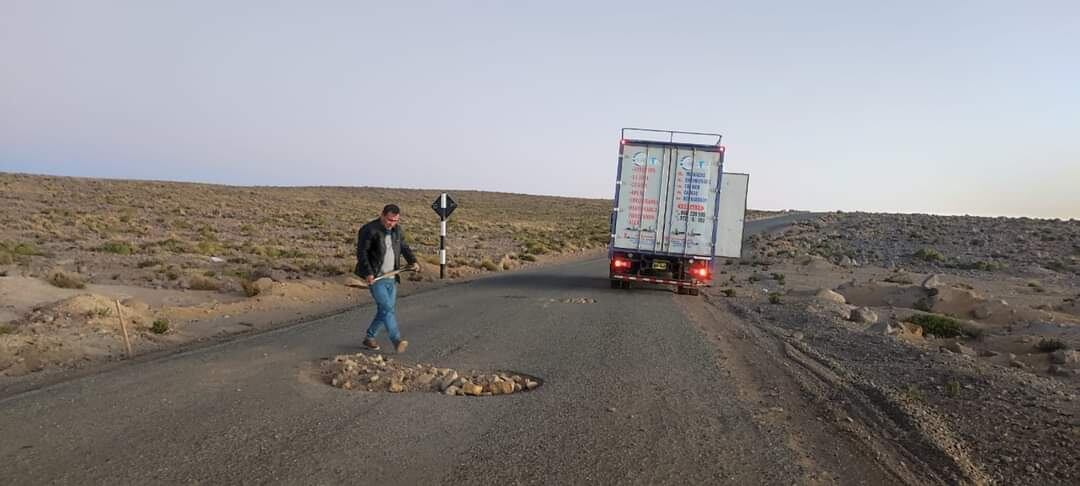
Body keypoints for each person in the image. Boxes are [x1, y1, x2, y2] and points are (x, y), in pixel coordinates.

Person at [355, 204, 420, 353]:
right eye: (390, 220)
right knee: (387, 309)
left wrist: (413, 261)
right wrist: (368, 273)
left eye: (395, 220)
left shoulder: (397, 230)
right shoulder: (369, 229)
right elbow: (362, 253)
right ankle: (396, 340)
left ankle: (369, 337)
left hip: (391, 277)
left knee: (385, 310)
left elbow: (404, 247)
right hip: (377, 277)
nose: (392, 223)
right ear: (382, 215)